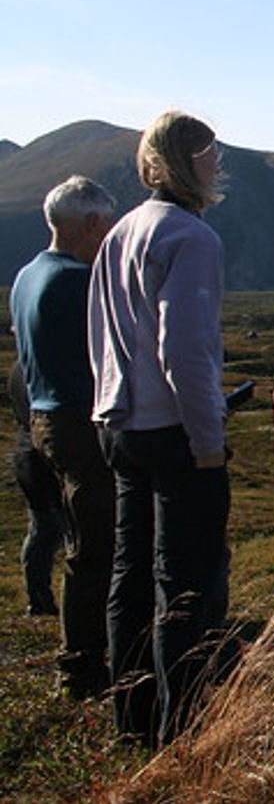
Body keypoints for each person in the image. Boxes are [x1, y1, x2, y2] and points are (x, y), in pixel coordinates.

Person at [89, 110, 230, 746]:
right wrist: (208, 443)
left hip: (120, 424)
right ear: (188, 160)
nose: (218, 165)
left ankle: (132, 721)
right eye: (211, 154)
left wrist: (109, 405)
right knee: (184, 583)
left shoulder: (121, 232)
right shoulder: (191, 237)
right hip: (174, 433)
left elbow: (101, 337)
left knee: (130, 574)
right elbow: (186, 351)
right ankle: (185, 728)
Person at [9, 175, 117, 698]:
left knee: (82, 536)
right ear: (93, 224)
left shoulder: (27, 274)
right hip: (79, 422)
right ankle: (82, 665)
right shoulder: (77, 282)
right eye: (109, 225)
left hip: (44, 419)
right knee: (96, 545)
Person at [8, 362, 66, 619]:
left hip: (27, 451)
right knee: (64, 529)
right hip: (48, 450)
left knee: (42, 529)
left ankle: (38, 598)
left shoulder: (20, 369)